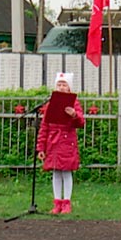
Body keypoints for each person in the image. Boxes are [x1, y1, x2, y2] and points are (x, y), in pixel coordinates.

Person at [36, 72, 85, 215]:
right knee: (56, 172)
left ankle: (67, 203)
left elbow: (81, 122)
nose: (62, 87)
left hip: (67, 142)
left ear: (69, 87)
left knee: (66, 172)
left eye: (64, 85)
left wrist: (74, 115)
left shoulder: (74, 103)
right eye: (59, 84)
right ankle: (57, 203)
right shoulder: (51, 103)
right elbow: (44, 127)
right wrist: (41, 147)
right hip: (53, 143)